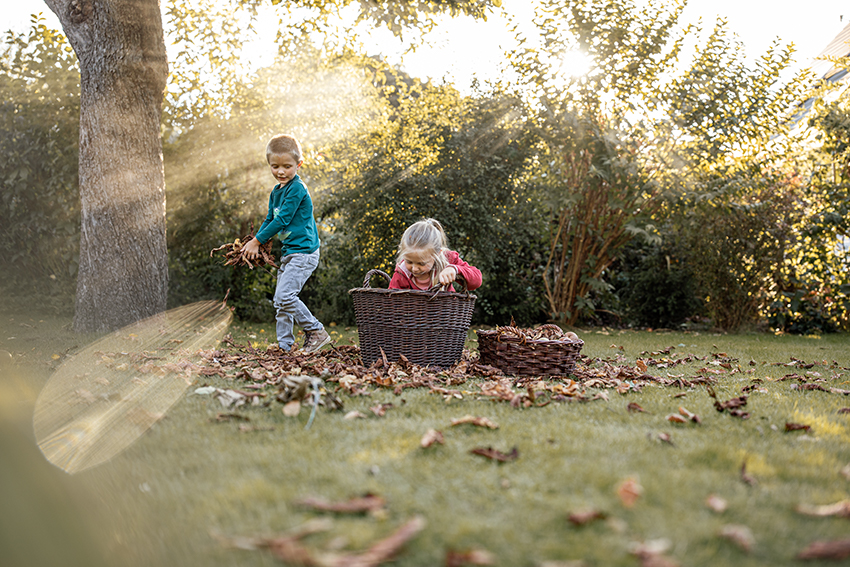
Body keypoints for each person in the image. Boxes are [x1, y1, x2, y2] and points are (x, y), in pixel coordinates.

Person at [242, 134, 331, 353]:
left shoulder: (297, 188)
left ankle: (316, 330)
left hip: (304, 252)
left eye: (287, 166)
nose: (281, 171)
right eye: (275, 166)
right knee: (280, 302)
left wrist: (256, 241)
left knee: (285, 296)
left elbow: (283, 219)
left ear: (298, 164)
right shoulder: (276, 192)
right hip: (290, 251)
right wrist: (257, 243)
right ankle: (284, 347)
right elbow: (270, 220)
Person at [389, 218, 482, 292]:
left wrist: (455, 269)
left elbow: (476, 281)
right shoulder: (402, 273)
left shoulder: (447, 259)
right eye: (409, 261)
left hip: (446, 313)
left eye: (421, 264)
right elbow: (392, 303)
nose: (414, 269)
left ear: (437, 254)